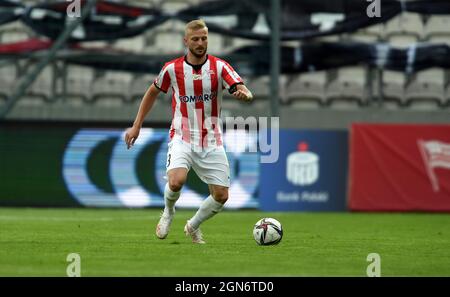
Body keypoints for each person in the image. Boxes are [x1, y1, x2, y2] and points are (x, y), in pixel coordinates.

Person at [124, 19, 253, 244]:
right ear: (186, 41)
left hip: (211, 139)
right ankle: (168, 212)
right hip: (182, 136)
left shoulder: (220, 67)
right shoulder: (172, 69)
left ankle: (193, 225)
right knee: (176, 181)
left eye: (204, 38)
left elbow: (240, 87)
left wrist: (246, 94)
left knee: (221, 196)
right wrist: (137, 125)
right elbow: (152, 92)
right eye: (195, 39)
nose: (200, 42)